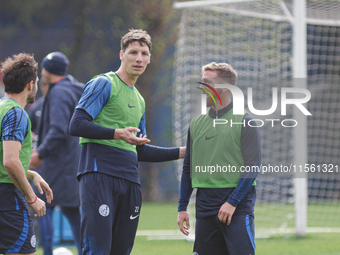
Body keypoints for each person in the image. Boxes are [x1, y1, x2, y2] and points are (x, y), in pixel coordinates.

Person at [69, 29, 185, 255]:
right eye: (133, 52)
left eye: (144, 53)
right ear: (121, 55)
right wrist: (116, 133)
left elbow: (139, 150)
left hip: (130, 181)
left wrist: (182, 152)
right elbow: (76, 125)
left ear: (150, 58)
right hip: (99, 175)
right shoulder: (103, 83)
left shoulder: (139, 99)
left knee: (121, 251)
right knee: (97, 249)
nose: (139, 58)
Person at [177, 62, 261, 255]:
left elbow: (253, 166)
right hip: (205, 208)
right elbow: (188, 168)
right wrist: (182, 207)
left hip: (237, 209)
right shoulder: (196, 124)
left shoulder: (245, 121)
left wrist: (232, 202)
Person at [29, 52, 83, 255]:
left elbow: (59, 129)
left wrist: (40, 153)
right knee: (72, 212)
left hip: (57, 165)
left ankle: (48, 252)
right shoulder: (74, 88)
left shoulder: (58, 92)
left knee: (43, 208)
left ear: (46, 71)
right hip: (73, 163)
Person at [0, 53, 53, 255]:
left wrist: (31, 174)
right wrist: (31, 198)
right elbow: (10, 162)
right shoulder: (16, 113)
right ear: (30, 85)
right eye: (37, 82)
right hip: (8, 198)